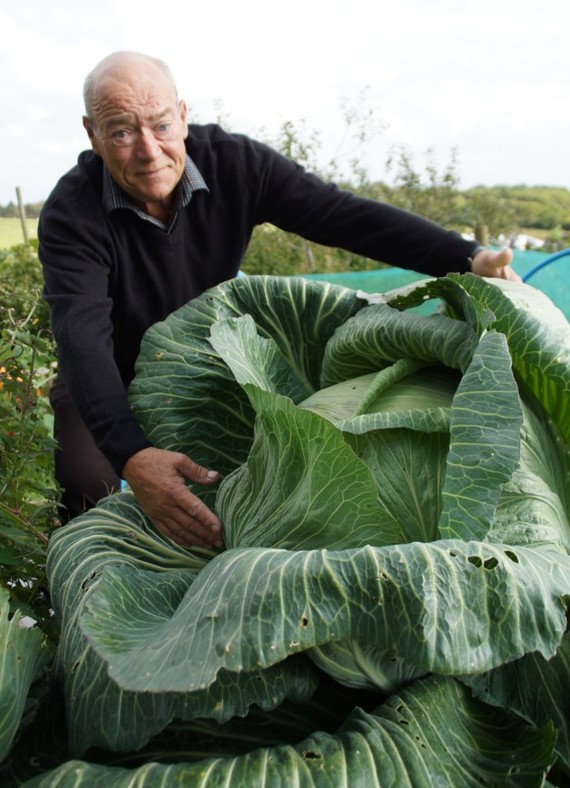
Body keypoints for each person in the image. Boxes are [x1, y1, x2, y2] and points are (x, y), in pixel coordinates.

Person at [39, 50, 519, 550]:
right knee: (84, 482)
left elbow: (341, 215)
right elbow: (81, 333)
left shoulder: (235, 164)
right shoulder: (72, 213)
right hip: (107, 372)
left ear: (182, 116)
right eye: (120, 132)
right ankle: (83, 595)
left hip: (205, 364)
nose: (147, 150)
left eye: (160, 126)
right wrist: (132, 453)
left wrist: (466, 257)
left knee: (248, 486)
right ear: (92, 134)